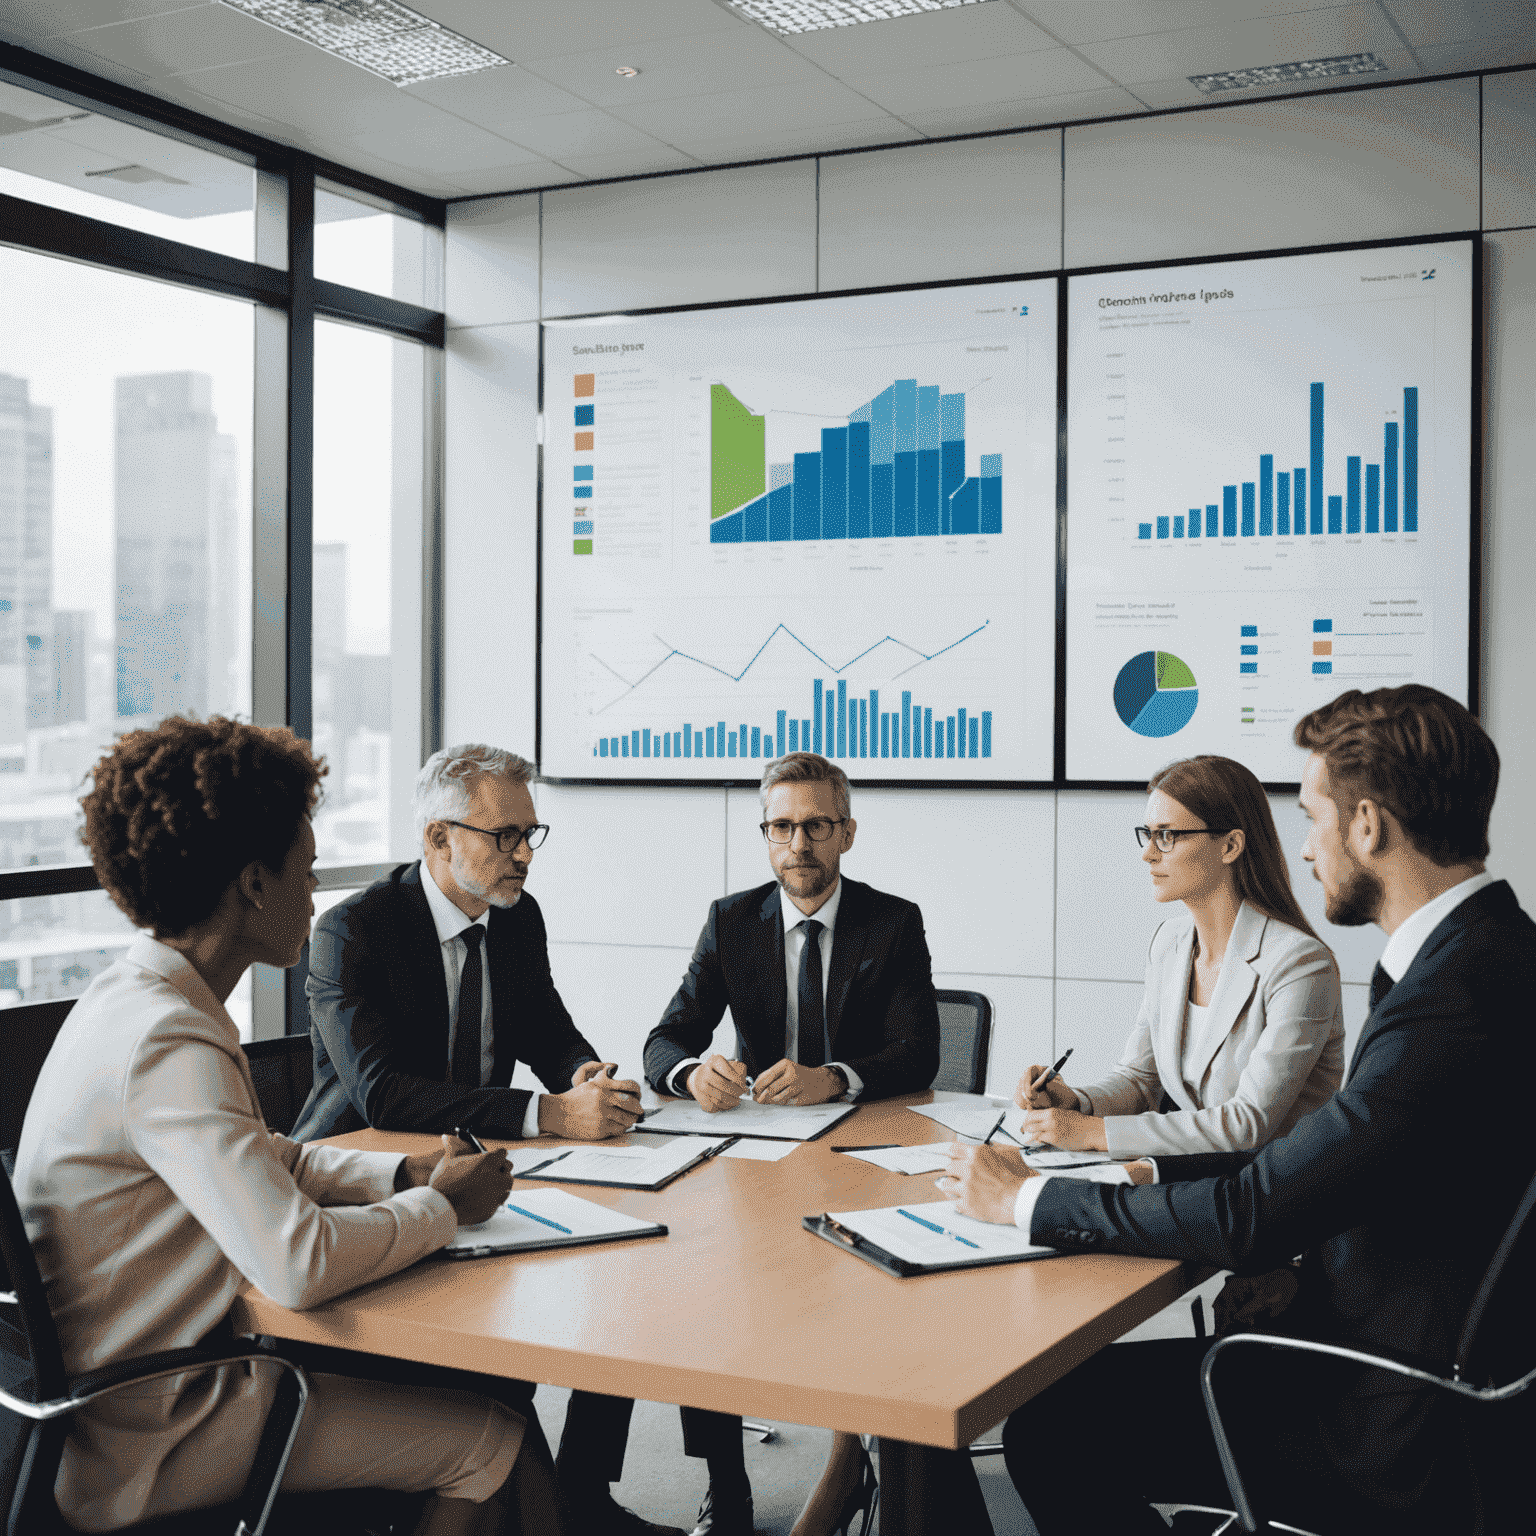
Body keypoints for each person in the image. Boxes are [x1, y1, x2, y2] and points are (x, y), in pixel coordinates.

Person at [942, 686, 1536, 1535]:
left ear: (1367, 826)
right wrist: (1302, 1277)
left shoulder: (1455, 1000)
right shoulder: (1486, 955)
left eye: (1313, 817)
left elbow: (1249, 1204)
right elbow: (1411, 1182)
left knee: (1053, 1426)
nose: (1304, 849)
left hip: (1393, 1411)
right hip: (1405, 1341)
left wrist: (1024, 1199)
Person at [13, 716, 548, 1535]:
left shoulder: (133, 999)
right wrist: (444, 1210)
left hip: (121, 1394)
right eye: (306, 868)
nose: (316, 887)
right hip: (152, 1424)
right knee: (491, 1441)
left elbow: (258, 1156)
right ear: (255, 883)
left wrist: (399, 1178)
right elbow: (297, 1264)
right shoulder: (168, 1040)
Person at [292, 743, 679, 1536]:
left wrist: (586, 1076)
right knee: (512, 1342)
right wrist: (546, 1114)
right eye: (504, 836)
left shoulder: (514, 918)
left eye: (531, 835)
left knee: (626, 1273)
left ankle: (583, 1495)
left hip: (485, 1172)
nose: (523, 856)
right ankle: (538, 1503)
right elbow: (385, 1092)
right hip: (370, 1180)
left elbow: (544, 1026)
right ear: (439, 838)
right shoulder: (353, 932)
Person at [643, 751, 942, 1536]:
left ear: (846, 832)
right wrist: (686, 1075)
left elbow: (921, 1053)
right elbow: (667, 1035)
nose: (798, 844)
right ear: (765, 835)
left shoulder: (892, 920)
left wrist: (834, 1076)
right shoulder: (731, 919)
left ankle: (854, 1459)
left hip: (866, 1155)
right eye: (782, 827)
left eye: (815, 826)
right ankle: (726, 1486)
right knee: (708, 1285)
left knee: (860, 1284)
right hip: (759, 1158)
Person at [1015, 753, 1344, 1158]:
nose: (1148, 853)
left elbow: (1247, 1124)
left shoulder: (1301, 964)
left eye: (1167, 835)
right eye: (1147, 834)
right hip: (1194, 1178)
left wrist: (1093, 1132)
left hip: (1274, 1192)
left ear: (1229, 845)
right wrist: (1075, 1103)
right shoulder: (1169, 943)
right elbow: (1140, 1080)